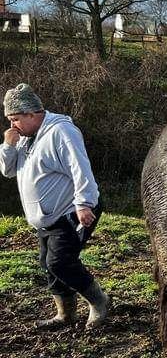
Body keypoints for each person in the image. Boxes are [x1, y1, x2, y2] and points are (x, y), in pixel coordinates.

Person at [0, 83, 109, 330]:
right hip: (46, 218)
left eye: (16, 119)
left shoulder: (61, 132)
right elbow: (6, 170)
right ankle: (66, 314)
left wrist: (84, 204)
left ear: (32, 113)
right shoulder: (25, 138)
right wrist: (8, 146)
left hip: (71, 211)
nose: (12, 125)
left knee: (60, 262)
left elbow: (81, 169)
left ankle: (99, 301)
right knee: (47, 264)